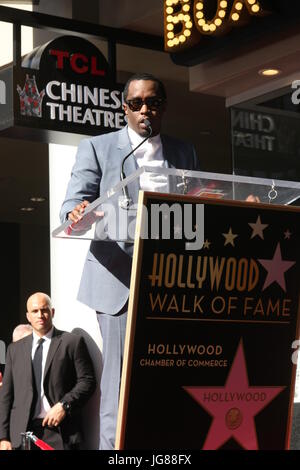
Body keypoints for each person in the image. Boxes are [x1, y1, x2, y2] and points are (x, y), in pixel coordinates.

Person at [60, 72, 200, 449]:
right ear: (124, 108)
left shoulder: (183, 151)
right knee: (119, 382)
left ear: (163, 106)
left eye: (152, 102)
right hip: (118, 280)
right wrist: (79, 213)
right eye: (136, 103)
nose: (144, 110)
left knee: (166, 374)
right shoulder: (100, 148)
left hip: (169, 279)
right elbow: (72, 205)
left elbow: (195, 209)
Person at [0, 292, 96, 450]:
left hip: (60, 432)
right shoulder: (14, 349)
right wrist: (3, 437)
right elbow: (6, 395)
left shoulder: (71, 342)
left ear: (52, 312)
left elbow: (87, 381)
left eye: (44, 310)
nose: (40, 315)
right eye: (35, 311)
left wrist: (64, 405)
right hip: (22, 434)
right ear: (28, 316)